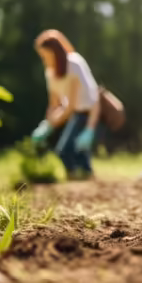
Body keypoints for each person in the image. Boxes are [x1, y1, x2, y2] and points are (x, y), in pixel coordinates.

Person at [30, 29, 101, 180]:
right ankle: (85, 177)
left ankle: (80, 179)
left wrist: (51, 126)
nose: (44, 59)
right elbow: (54, 104)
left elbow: (89, 99)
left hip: (88, 113)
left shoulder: (74, 64)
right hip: (75, 113)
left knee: (65, 150)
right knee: (78, 152)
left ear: (54, 51)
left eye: (45, 55)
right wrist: (46, 123)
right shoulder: (50, 72)